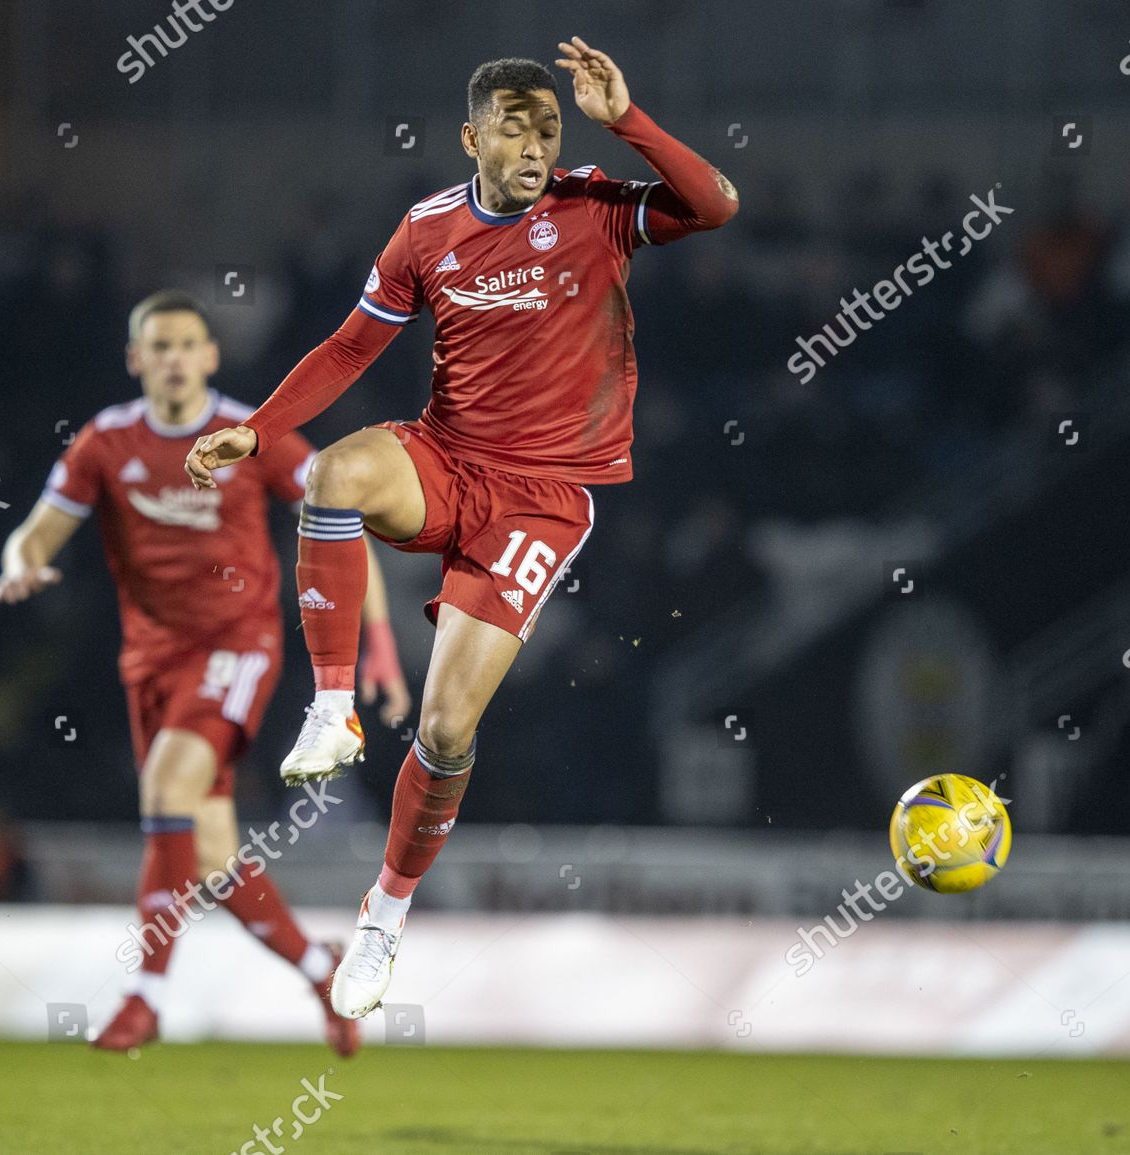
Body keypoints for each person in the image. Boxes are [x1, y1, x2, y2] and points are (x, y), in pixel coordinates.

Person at [185, 39, 739, 1019]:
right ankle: (331, 705)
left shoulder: (595, 208)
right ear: (471, 136)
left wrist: (628, 122)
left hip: (543, 496)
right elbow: (353, 344)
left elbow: (715, 204)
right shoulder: (426, 229)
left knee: (445, 731)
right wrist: (255, 429)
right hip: (443, 459)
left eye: (550, 129)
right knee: (331, 476)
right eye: (517, 129)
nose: (536, 147)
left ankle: (384, 914)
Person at [0, 290, 411, 1054]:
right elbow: (36, 533)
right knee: (210, 854)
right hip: (149, 661)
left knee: (168, 790)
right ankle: (322, 972)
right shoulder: (104, 442)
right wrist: (22, 566)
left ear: (210, 356)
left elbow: (343, 521)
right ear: (135, 358)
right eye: (159, 344)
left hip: (237, 646)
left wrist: (376, 636)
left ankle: (145, 996)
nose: (174, 357)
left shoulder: (254, 436)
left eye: (188, 344)